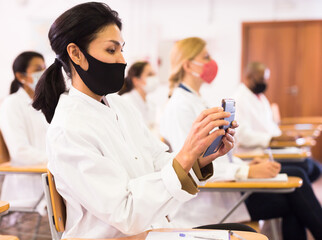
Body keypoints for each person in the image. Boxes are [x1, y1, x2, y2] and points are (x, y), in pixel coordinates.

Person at [32, 3, 237, 238]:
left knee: (238, 234)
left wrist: (199, 157)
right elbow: (125, 213)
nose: (122, 60)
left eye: (121, 49)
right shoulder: (68, 129)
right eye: (111, 50)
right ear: (76, 53)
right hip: (123, 236)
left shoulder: (120, 106)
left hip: (152, 230)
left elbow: (158, 159)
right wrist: (185, 156)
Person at [159, 37, 322, 240]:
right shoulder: (179, 107)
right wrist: (246, 171)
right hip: (208, 203)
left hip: (227, 190)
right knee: (296, 193)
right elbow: (192, 164)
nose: (212, 62)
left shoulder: (197, 99)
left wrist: (243, 163)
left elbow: (216, 155)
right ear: (188, 64)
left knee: (296, 186)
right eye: (206, 57)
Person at [234, 62, 322, 183]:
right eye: (261, 79)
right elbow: (242, 136)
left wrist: (287, 137)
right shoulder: (239, 100)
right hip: (255, 154)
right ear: (248, 77)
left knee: (315, 168)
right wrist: (272, 138)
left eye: (266, 79)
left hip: (271, 148)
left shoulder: (261, 98)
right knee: (306, 168)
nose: (264, 83)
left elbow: (271, 126)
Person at [0, 51, 48, 213]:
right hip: (28, 186)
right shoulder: (12, 104)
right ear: (21, 77)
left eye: (44, 67)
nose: (43, 72)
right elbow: (20, 151)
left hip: (48, 176)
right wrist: (55, 159)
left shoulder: (44, 102)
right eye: (38, 68)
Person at [118, 61, 158, 130]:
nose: (154, 78)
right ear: (136, 80)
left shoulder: (151, 104)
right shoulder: (126, 101)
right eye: (149, 74)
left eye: (154, 74)